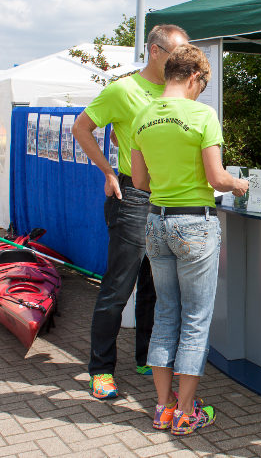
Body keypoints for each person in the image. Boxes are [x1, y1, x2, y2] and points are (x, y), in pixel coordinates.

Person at [131, 44, 248, 435]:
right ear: (195, 77)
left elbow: (140, 181)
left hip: (156, 222)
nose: (201, 92)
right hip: (195, 224)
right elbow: (217, 179)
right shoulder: (202, 115)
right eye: (203, 84)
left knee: (165, 315)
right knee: (196, 320)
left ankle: (162, 407)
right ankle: (185, 413)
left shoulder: (142, 115)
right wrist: (240, 185)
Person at [72, 24, 189, 400]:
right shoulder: (123, 90)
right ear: (155, 51)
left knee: (155, 286)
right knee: (119, 287)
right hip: (134, 197)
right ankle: (101, 369)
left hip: (167, 198)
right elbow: (82, 127)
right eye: (176, 54)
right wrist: (108, 172)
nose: (183, 61)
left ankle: (145, 357)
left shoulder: (176, 91)